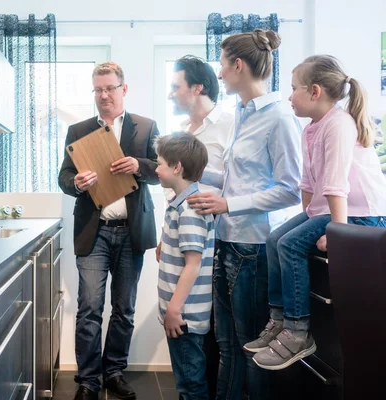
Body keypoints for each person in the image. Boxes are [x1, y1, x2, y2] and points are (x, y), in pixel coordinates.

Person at [245, 55, 386, 370]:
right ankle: (279, 319)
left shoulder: (338, 124)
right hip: (332, 208)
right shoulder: (310, 129)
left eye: (294, 89)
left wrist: (337, 239)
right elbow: (308, 184)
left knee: (289, 244)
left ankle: (298, 332)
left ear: (315, 91)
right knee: (275, 240)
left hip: (359, 214)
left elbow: (337, 187)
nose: (289, 96)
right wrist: (309, 222)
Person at [186, 30, 302, 400]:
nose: (218, 74)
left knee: (252, 348)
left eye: (222, 65)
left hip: (253, 248)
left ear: (238, 65)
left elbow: (290, 189)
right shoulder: (241, 113)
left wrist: (227, 204)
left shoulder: (280, 116)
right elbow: (236, 180)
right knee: (227, 346)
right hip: (228, 240)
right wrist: (189, 168)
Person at [58, 62, 160, 400]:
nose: (103, 95)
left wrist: (139, 165)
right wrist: (76, 182)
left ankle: (114, 372)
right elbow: (63, 178)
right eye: (98, 90)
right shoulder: (78, 130)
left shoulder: (146, 128)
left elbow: (162, 170)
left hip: (131, 231)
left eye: (109, 89)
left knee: (124, 309)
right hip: (94, 231)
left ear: (123, 89)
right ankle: (88, 379)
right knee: (89, 308)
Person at [155, 133, 215, 400]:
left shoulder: (189, 209)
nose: (155, 169)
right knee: (187, 382)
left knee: (191, 385)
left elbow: (193, 264)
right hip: (182, 316)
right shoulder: (180, 204)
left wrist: (174, 309)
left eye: (159, 164)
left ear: (176, 167)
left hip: (184, 317)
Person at [168, 55, 233, 196]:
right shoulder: (179, 132)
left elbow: (239, 183)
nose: (170, 95)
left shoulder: (232, 127)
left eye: (175, 88)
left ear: (197, 88)